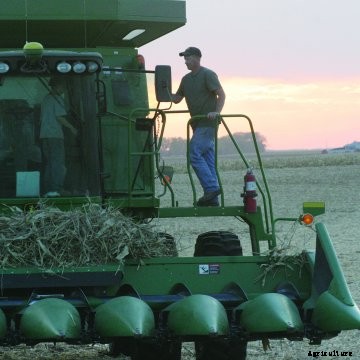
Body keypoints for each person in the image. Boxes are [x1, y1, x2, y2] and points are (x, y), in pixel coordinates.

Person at [172, 47, 226, 206]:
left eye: (188, 58)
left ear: (197, 58)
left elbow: (221, 94)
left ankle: (211, 188)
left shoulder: (208, 74)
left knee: (194, 152)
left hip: (207, 123)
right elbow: (176, 99)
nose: (186, 62)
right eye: (185, 59)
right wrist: (164, 91)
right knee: (208, 159)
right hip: (196, 125)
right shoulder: (186, 79)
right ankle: (213, 199)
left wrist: (216, 112)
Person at [40, 77, 77, 197]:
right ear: (56, 86)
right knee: (58, 163)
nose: (64, 89)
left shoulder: (46, 99)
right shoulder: (56, 99)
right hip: (55, 135)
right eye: (63, 87)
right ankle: (57, 189)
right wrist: (72, 128)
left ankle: (48, 190)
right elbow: (60, 117)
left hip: (44, 136)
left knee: (49, 163)